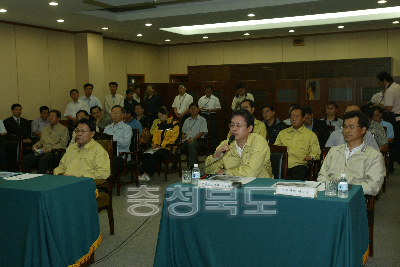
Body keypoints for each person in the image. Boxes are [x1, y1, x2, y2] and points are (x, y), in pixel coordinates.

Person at [317, 110, 385, 196]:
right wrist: (333, 187)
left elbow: (374, 187)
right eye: (345, 127)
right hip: (330, 195)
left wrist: (345, 185)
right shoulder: (334, 151)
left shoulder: (374, 156)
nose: (347, 131)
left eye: (352, 127)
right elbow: (321, 177)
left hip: (355, 198)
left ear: (363, 130)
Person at [205, 109, 273, 178]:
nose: (234, 129)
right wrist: (215, 156)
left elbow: (250, 173)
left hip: (259, 185)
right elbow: (208, 170)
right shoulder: (226, 144)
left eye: (238, 126)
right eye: (232, 125)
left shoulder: (259, 142)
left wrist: (225, 172)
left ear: (250, 128)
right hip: (234, 184)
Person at [274, 107, 320, 181]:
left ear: (303, 118)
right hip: (282, 165)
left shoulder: (311, 135)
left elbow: (316, 153)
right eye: (291, 117)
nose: (294, 119)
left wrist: (311, 157)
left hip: (299, 165)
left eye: (297, 116)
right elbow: (275, 150)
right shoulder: (282, 133)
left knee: (300, 173)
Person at [139, 107, 180, 181]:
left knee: (155, 154)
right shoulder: (159, 125)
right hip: (158, 147)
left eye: (162, 116)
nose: (161, 118)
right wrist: (154, 144)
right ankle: (143, 173)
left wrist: (162, 146)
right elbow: (155, 136)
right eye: (159, 117)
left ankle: (148, 173)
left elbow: (174, 138)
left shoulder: (174, 123)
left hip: (169, 148)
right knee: (146, 153)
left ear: (166, 114)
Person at [22, 110, 69, 174]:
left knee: (43, 160)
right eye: (49, 116)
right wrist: (36, 145)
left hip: (54, 152)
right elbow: (41, 141)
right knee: (26, 158)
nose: (50, 118)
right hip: (42, 151)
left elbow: (63, 144)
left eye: (53, 116)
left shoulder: (64, 129)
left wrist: (50, 150)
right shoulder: (45, 129)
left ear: (58, 118)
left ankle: (39, 179)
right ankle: (25, 177)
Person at [375, 71, 400, 163]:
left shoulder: (389, 91)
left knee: (394, 144)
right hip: (399, 117)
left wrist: (378, 105)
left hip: (394, 118)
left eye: (379, 82)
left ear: (384, 81)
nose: (379, 84)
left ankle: (391, 164)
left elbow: (389, 108)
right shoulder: (397, 87)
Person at [103, 105, 133, 181]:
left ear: (123, 115)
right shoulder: (107, 128)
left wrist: (112, 140)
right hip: (108, 154)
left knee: (112, 160)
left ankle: (110, 182)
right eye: (113, 113)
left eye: (117, 113)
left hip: (122, 156)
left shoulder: (127, 128)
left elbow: (126, 143)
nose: (114, 115)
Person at [181, 103, 208, 169]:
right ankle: (175, 164)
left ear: (198, 110)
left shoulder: (202, 120)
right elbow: (183, 132)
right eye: (191, 108)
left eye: (194, 108)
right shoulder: (186, 120)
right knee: (175, 145)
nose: (192, 110)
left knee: (191, 145)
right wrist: (183, 137)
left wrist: (192, 139)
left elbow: (202, 133)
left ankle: (191, 166)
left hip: (198, 140)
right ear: (189, 110)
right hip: (186, 140)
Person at [198, 84, 221, 151]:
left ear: (212, 91)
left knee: (213, 132)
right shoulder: (201, 99)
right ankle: (203, 149)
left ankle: (213, 149)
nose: (208, 93)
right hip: (203, 116)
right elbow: (198, 109)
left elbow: (219, 108)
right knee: (203, 132)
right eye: (207, 92)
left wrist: (212, 110)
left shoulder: (215, 99)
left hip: (212, 116)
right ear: (205, 91)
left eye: (209, 92)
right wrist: (201, 108)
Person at [372, 105, 394, 173]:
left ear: (381, 114)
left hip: (382, 145)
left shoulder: (387, 125)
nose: (375, 118)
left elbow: (390, 139)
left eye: (377, 115)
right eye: (373, 116)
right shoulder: (369, 125)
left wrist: (380, 142)